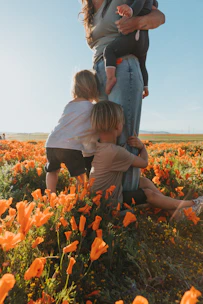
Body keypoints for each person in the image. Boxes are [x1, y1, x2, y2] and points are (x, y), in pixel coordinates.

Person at [81, 0, 165, 194]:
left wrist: (137, 22)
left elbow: (159, 17)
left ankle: (128, 201)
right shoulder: (90, 11)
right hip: (100, 72)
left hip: (122, 66)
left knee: (125, 137)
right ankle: (111, 197)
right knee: (105, 136)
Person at [89, 101, 203, 219]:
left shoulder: (101, 146)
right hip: (110, 205)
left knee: (144, 181)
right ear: (117, 126)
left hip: (102, 199)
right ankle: (192, 205)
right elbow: (144, 163)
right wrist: (142, 147)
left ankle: (174, 213)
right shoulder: (115, 152)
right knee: (149, 195)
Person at [45, 70, 99, 193]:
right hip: (70, 146)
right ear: (93, 87)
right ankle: (81, 198)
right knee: (80, 177)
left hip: (52, 142)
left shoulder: (69, 105)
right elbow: (91, 131)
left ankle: (50, 196)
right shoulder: (92, 108)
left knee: (52, 171)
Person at [103, 0, 158, 95]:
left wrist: (130, 10)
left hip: (131, 37)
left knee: (109, 50)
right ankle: (145, 87)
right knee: (142, 64)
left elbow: (138, 4)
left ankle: (111, 78)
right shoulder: (153, 3)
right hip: (143, 42)